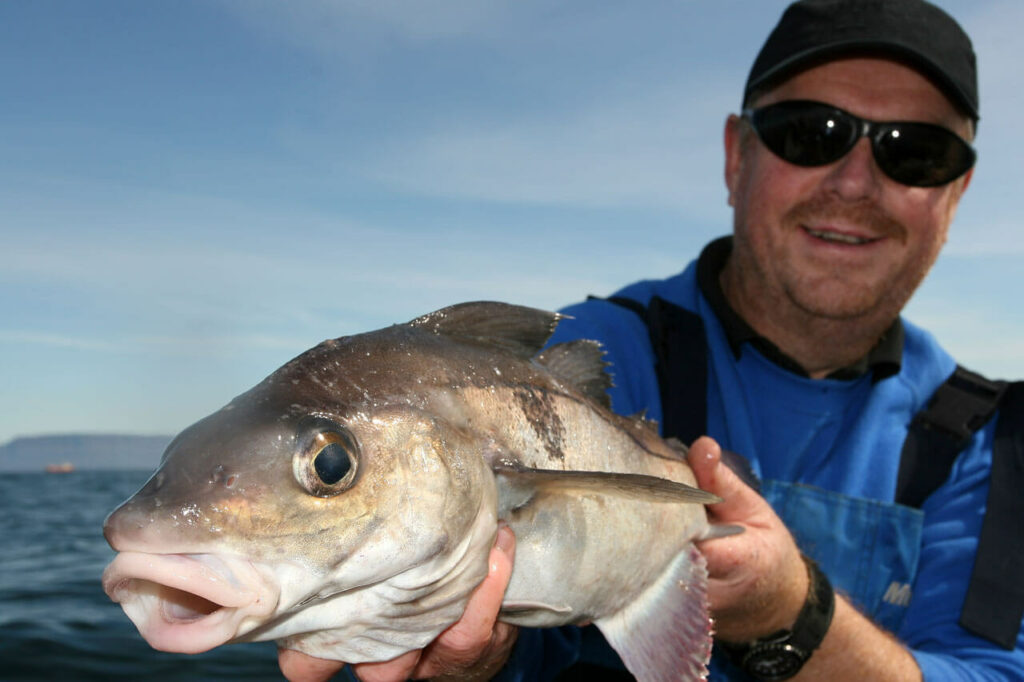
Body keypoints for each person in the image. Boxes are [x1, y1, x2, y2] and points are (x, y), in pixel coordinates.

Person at [279, 0, 1024, 679]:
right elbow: (528, 629)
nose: (856, 183)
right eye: (811, 134)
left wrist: (794, 616)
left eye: (919, 152)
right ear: (737, 157)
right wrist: (476, 662)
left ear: (955, 193)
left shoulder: (988, 444)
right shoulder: (578, 369)